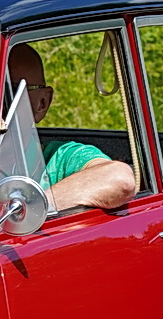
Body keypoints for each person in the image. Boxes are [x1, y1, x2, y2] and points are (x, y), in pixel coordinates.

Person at [7, 42, 137, 211]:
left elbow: (120, 179)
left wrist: (30, 208)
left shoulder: (58, 160)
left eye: (12, 91)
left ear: (42, 104)